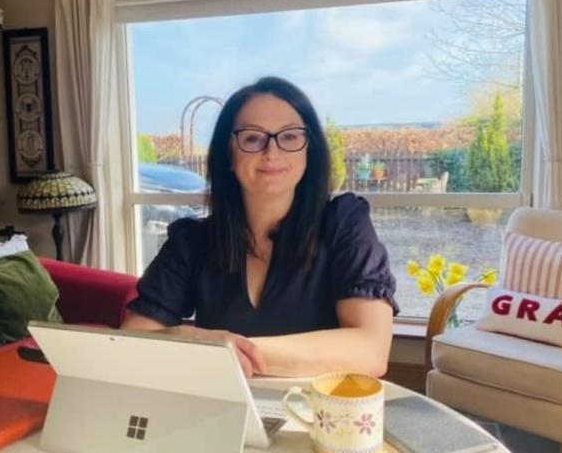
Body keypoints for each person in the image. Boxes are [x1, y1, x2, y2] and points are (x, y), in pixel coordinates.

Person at [122, 76, 398, 378]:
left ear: (309, 150)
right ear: (228, 154)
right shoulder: (193, 241)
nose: (272, 152)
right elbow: (131, 343)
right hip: (224, 405)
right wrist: (190, 340)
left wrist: (223, 352)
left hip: (319, 407)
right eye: (252, 138)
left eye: (290, 137)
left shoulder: (344, 222)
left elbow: (370, 351)